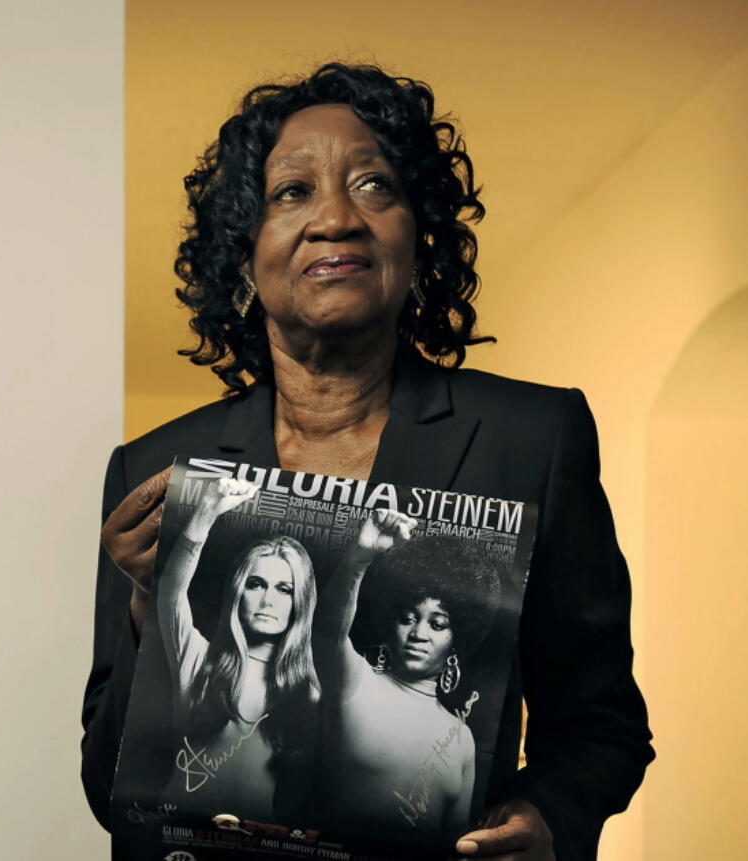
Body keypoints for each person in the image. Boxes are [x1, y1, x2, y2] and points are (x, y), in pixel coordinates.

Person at [83, 61, 653, 860]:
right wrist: (151, 606)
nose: (336, 219)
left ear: (419, 243)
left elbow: (602, 723)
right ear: (244, 256)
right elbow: (109, 787)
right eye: (292, 193)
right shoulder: (154, 467)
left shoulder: (533, 437)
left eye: (375, 186)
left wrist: (551, 816)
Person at [311, 509, 502, 847]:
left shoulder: (461, 740)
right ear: (390, 624)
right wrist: (359, 558)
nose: (419, 634)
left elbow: (456, 847)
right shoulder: (356, 682)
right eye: (408, 618)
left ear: (457, 637)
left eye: (437, 624)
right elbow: (327, 630)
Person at [158, 476, 318, 822]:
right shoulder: (198, 659)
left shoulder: (308, 689)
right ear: (237, 591)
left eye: (284, 589)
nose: (267, 600)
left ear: (300, 602)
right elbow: (171, 592)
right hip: (175, 837)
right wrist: (205, 512)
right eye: (256, 584)